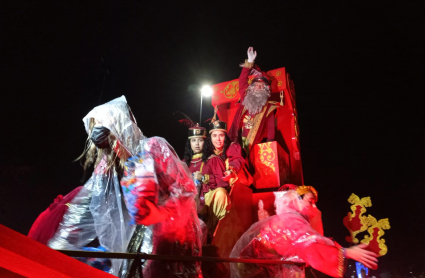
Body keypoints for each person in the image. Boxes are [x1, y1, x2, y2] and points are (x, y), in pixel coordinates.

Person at [36, 96, 144, 276]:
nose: (98, 131)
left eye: (105, 125)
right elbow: (78, 219)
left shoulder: (139, 160)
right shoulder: (103, 172)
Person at [230, 185, 379, 278]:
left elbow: (313, 241)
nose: (314, 208)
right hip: (253, 268)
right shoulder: (291, 220)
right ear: (297, 200)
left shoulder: (293, 219)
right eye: (310, 202)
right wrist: (347, 252)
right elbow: (308, 245)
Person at [120, 137, 203, 278]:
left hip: (175, 229)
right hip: (162, 228)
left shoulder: (160, 156)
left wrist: (162, 212)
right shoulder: (144, 166)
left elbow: (185, 192)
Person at [228, 47, 281, 157]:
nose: (258, 87)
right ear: (251, 87)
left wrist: (269, 149)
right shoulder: (245, 97)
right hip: (238, 144)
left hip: (256, 148)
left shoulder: (269, 108)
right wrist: (250, 62)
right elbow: (242, 80)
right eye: (256, 85)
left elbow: (271, 131)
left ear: (266, 89)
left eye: (261, 86)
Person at [200, 119, 245, 237]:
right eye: (214, 135)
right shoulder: (207, 153)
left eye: (221, 135)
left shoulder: (231, 147)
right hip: (207, 191)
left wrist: (231, 170)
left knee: (220, 193)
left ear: (225, 136)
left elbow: (237, 160)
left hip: (224, 186)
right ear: (210, 137)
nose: (218, 139)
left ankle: (212, 232)